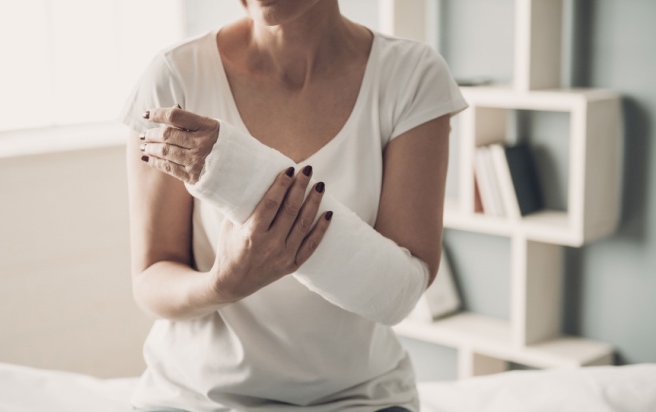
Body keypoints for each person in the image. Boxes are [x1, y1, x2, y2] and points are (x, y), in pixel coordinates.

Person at [119, 1, 467, 411]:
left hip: (357, 399)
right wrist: (222, 284)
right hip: (198, 397)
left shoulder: (412, 76)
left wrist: (234, 169)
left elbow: (400, 291)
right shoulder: (176, 76)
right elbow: (150, 281)